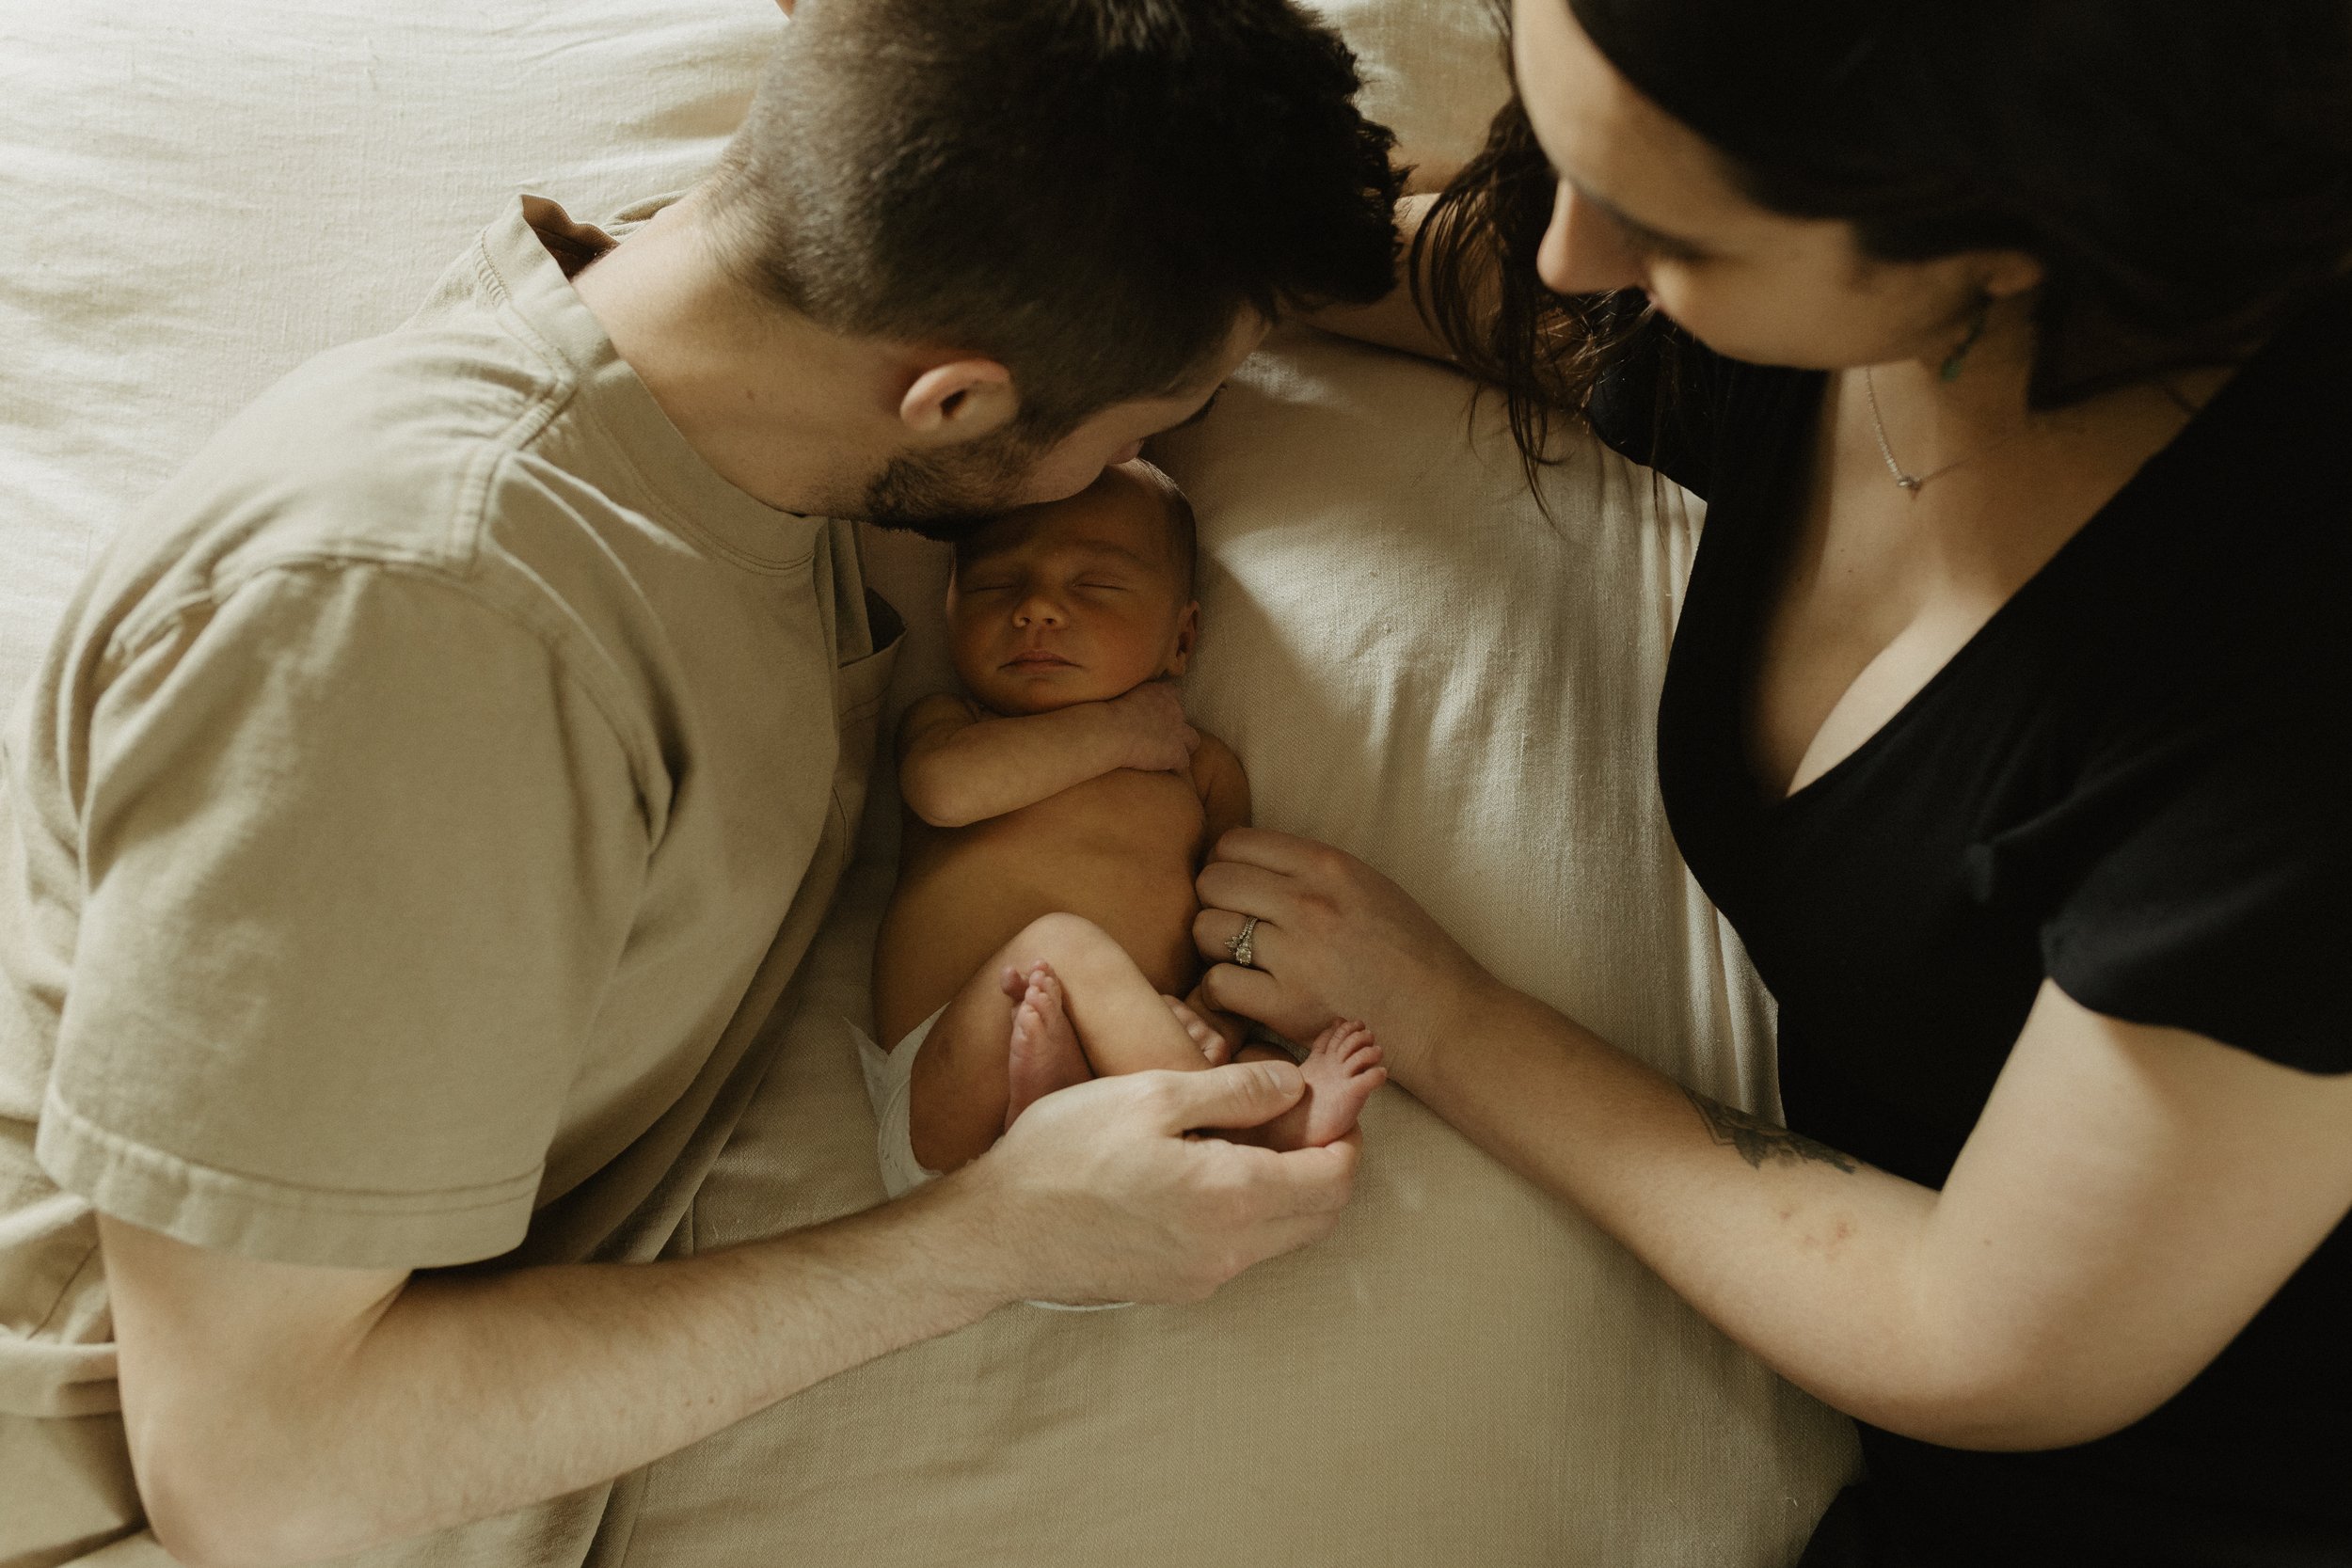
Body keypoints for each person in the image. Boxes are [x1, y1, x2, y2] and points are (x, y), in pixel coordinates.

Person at [0, 1, 1405, 1563]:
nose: (1146, 468)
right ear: (951, 402)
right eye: (1154, 427)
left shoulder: (723, 377)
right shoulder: (424, 623)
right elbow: (262, 1473)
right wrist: (997, 1235)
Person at [1202, 1, 2352, 1563]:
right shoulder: (1832, 241)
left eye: (1680, 237)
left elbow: (1985, 1336)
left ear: (2006, 233)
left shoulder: (2286, 694)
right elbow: (1524, 293)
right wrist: (1157, 229)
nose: (1572, 253)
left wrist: (1448, 1017)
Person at [863, 461, 1385, 1199]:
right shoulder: (954, 729)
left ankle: (1085, 1094)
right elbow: (943, 792)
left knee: (1261, 1029)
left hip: (1127, 1084)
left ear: (1182, 637)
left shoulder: (1202, 769)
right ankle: (1234, 1122)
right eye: (994, 586)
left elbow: (1235, 927)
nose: (1036, 608)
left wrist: (1209, 1017)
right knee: (1061, 946)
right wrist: (1118, 730)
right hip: (950, 1082)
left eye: (1095, 586)